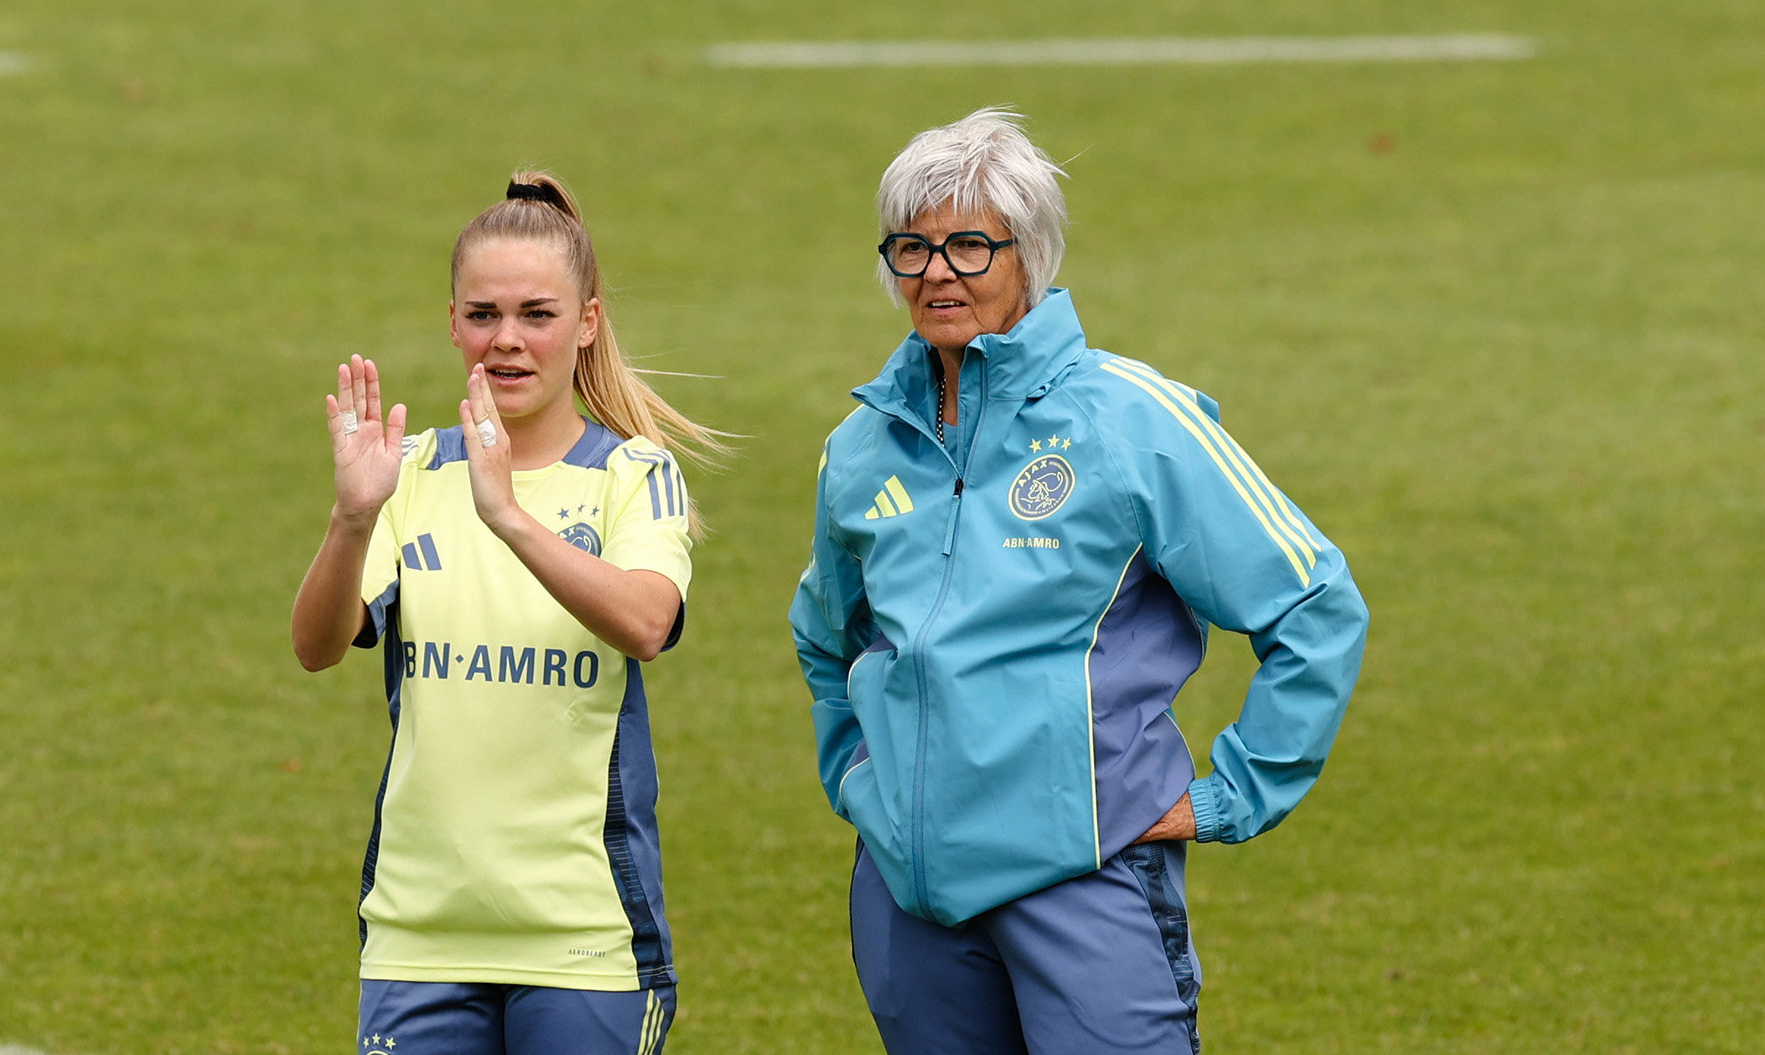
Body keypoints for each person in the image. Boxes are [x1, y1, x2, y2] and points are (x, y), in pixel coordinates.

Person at [789, 109, 1370, 1054]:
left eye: (970, 245)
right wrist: (860, 776)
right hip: (909, 898)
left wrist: (1235, 793)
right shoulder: (860, 449)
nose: (938, 272)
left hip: (1087, 879)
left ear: (1031, 256)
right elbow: (827, 634)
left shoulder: (1129, 420)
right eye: (912, 247)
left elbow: (1313, 602)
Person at [292, 173, 725, 1055]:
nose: (508, 341)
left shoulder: (633, 475)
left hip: (583, 937)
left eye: (538, 314)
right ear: (451, 322)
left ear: (588, 323)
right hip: (421, 929)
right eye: (483, 315)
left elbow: (647, 622)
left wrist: (509, 517)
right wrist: (351, 518)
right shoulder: (409, 471)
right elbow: (315, 646)